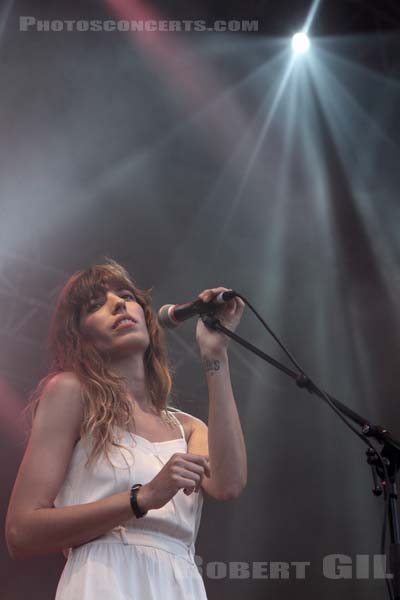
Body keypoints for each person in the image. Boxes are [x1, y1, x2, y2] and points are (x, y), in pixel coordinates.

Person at [5, 259, 247, 599]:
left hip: (179, 583)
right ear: (81, 335)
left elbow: (228, 484)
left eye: (125, 295)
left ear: (147, 317)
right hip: (105, 580)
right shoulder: (71, 393)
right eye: (96, 305)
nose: (118, 304)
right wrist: (142, 497)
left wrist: (215, 354)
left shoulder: (186, 427)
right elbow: (21, 531)